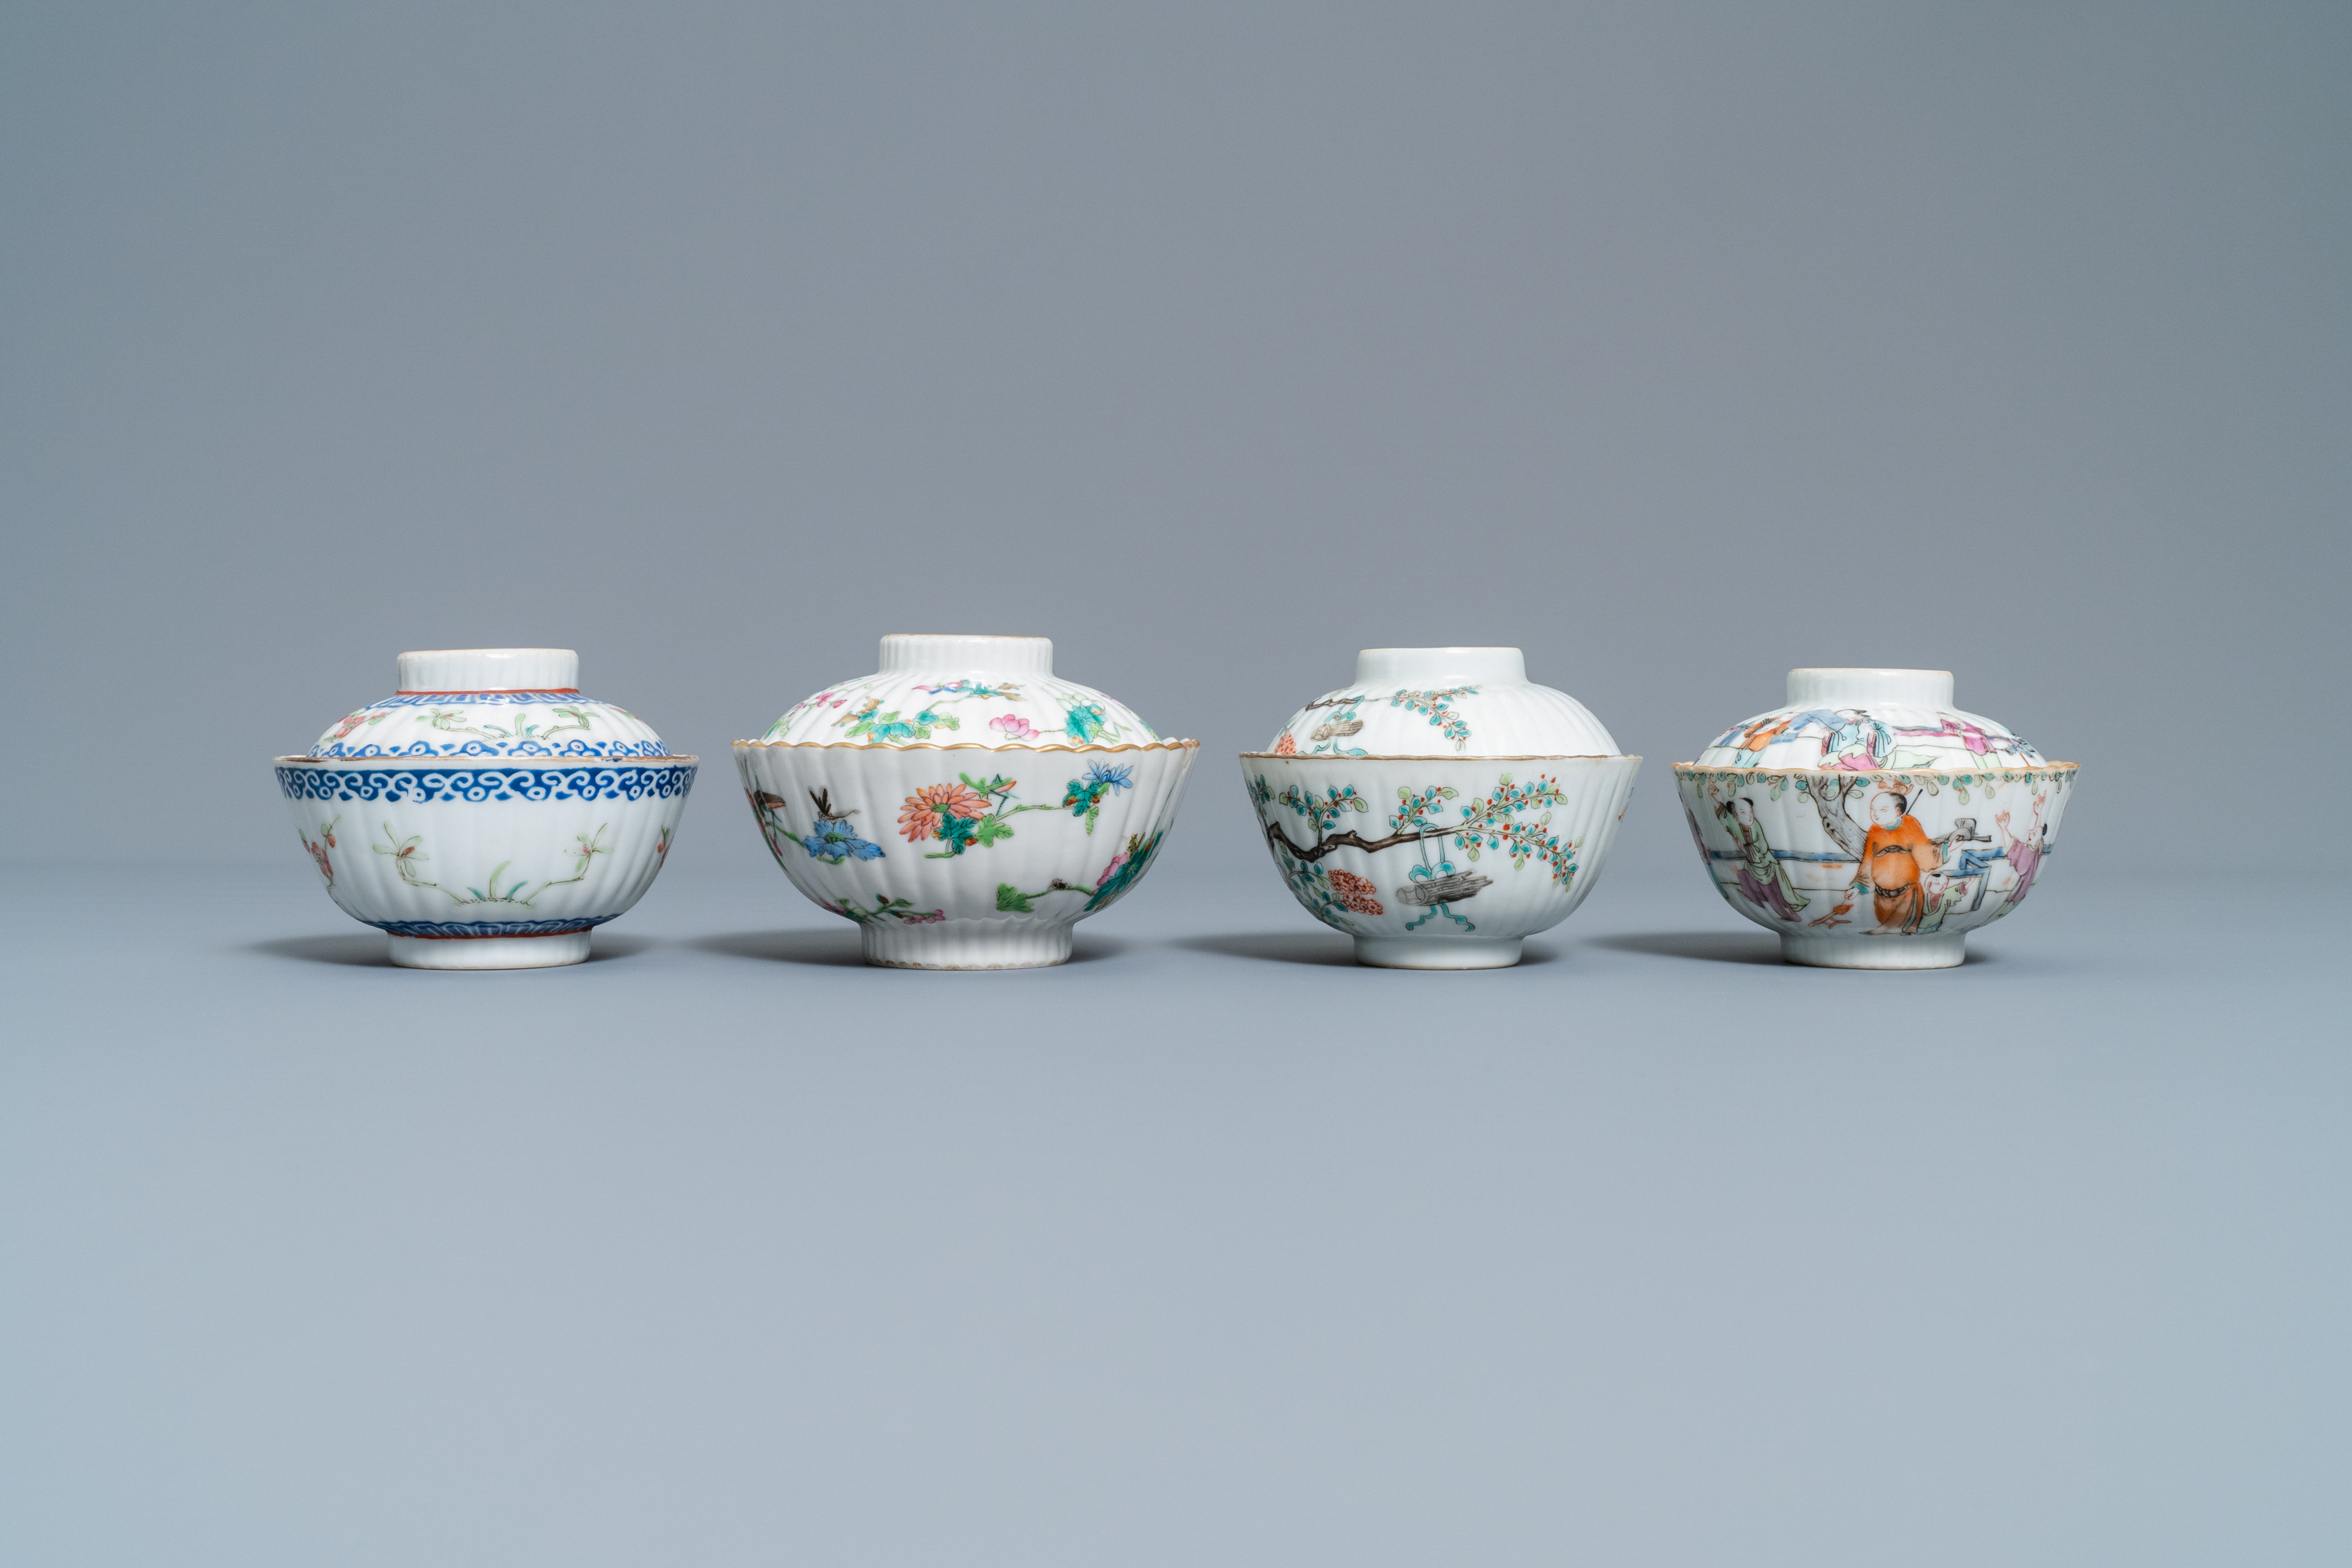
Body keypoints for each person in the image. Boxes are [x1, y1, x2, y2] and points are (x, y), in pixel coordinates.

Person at [1850, 789, 1942, 934]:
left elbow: (1925, 854)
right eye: (1872, 809)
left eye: (1883, 810)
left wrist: (1947, 849)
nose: (1875, 814)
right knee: (1885, 927)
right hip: (1881, 896)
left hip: (1907, 894)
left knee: (1892, 929)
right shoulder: (1874, 831)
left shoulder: (1910, 824)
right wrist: (1857, 887)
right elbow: (1868, 860)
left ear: (1898, 811)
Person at [1711, 789, 1808, 921]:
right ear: (1736, 816)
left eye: (1751, 812)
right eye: (1744, 813)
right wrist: (1713, 797)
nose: (1750, 816)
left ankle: (1792, 916)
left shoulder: (1755, 826)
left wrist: (1743, 847)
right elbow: (1722, 814)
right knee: (1749, 881)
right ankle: (1787, 914)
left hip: (1767, 866)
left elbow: (1761, 848)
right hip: (1753, 866)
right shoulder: (1734, 825)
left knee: (1775, 896)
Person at [1995, 793, 2050, 909]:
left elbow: (2020, 866)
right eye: (2032, 833)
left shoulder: (2029, 851)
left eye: (2032, 834)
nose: (2030, 833)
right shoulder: (2034, 850)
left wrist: (2004, 828)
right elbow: (2037, 833)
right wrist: (2039, 813)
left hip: (2020, 885)